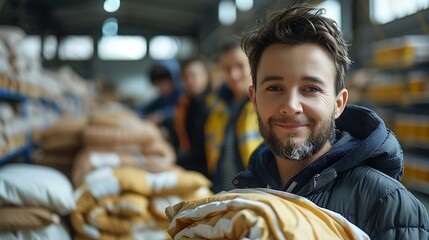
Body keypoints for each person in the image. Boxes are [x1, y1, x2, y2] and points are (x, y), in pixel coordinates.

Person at [232, 4, 429, 239]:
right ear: (254, 100)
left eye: (311, 89)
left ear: (338, 104)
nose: (291, 105)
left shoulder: (387, 205)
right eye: (274, 88)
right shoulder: (245, 194)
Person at [204, 40, 264, 193]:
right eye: (227, 68)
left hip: (256, 192)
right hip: (221, 191)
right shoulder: (216, 106)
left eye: (240, 66)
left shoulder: (264, 105)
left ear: (253, 65)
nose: (233, 75)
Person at [172, 56, 211, 176]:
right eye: (185, 77)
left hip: (209, 171)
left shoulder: (215, 106)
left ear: (206, 76)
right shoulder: (184, 104)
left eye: (194, 75)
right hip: (189, 167)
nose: (190, 81)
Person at [139, 64, 180, 138]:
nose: (159, 88)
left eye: (161, 84)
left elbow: (181, 110)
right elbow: (144, 109)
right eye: (156, 85)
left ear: (170, 80)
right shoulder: (162, 98)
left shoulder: (181, 94)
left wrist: (162, 115)